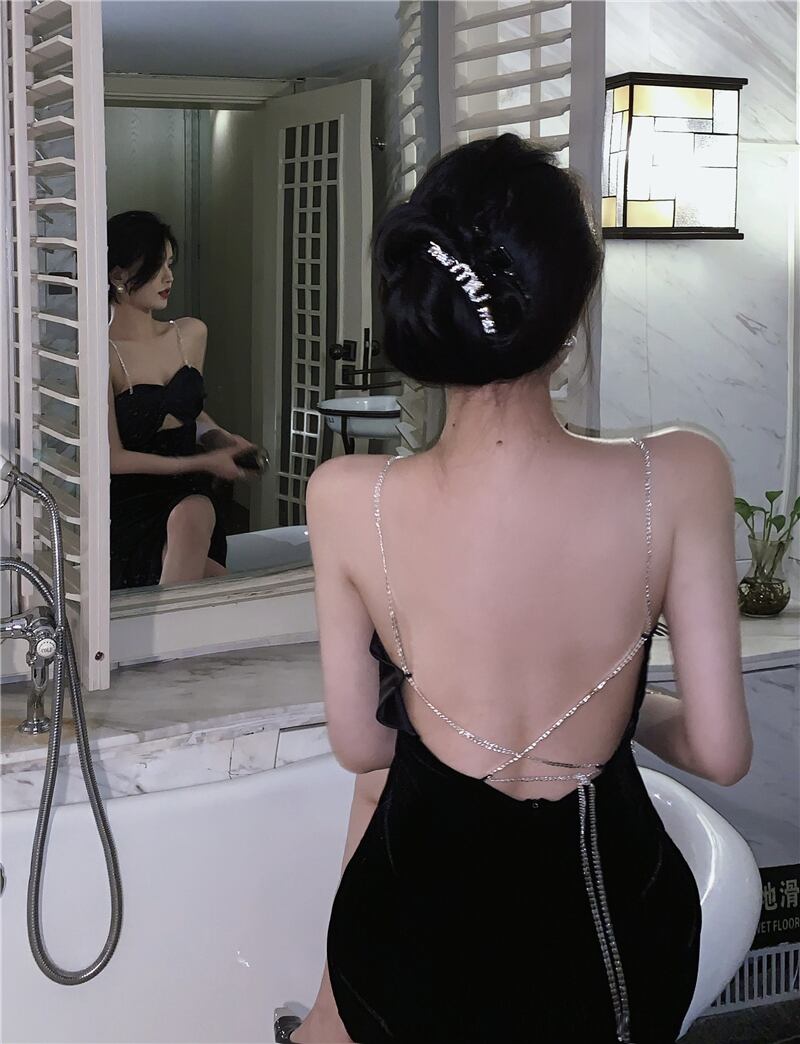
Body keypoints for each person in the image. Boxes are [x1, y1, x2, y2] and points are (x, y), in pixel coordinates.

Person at [282, 134, 753, 1044]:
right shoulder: (681, 473)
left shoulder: (345, 496)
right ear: (568, 314)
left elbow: (362, 744)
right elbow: (720, 750)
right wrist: (618, 704)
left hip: (408, 953)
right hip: (608, 953)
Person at [107, 210, 253, 589]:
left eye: (170, 264)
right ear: (118, 275)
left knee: (195, 512)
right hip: (130, 504)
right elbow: (113, 458)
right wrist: (203, 461)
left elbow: (189, 412)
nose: (168, 277)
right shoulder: (103, 354)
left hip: (189, 493)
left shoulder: (190, 333)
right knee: (216, 584)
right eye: (157, 266)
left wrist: (220, 438)